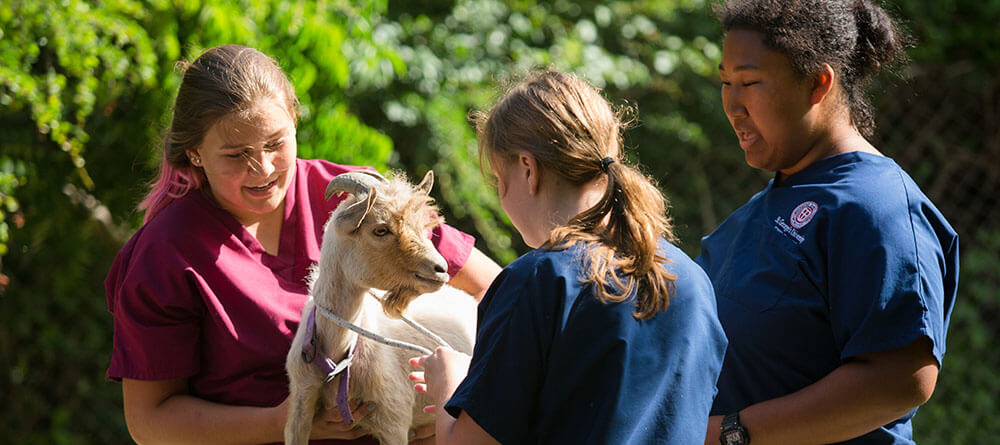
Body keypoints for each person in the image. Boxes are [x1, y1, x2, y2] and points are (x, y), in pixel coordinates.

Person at [105, 44, 501, 444]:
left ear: (294, 120)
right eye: (236, 154)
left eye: (275, 144)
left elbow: (499, 291)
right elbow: (150, 421)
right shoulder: (167, 252)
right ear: (195, 153)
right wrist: (286, 420)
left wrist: (459, 406)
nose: (261, 168)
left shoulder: (360, 201)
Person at [408, 70, 728, 444]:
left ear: (528, 170)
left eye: (498, 179)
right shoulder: (691, 279)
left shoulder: (537, 280)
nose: (500, 195)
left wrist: (450, 382)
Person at [697, 1, 959, 444]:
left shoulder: (876, 206)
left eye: (748, 82)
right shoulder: (775, 197)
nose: (732, 105)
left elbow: (901, 380)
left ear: (818, 83)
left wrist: (731, 434)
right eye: (725, 82)